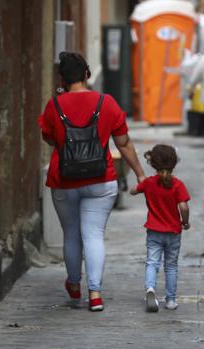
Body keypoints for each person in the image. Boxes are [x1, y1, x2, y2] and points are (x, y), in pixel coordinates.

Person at [38, 52, 146, 311]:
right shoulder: (106, 103)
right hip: (101, 180)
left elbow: (50, 139)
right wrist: (140, 174)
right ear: (87, 74)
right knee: (94, 235)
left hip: (64, 180)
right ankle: (95, 294)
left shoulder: (54, 105)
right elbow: (124, 143)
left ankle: (74, 285)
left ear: (62, 78)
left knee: (71, 235)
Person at [130, 145, 190, 312]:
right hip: (173, 232)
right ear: (174, 163)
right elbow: (183, 206)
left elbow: (133, 191)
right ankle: (170, 300)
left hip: (154, 231)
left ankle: (150, 289)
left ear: (152, 163)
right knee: (171, 266)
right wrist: (185, 222)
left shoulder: (149, 183)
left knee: (152, 262)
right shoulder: (178, 184)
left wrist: (137, 186)